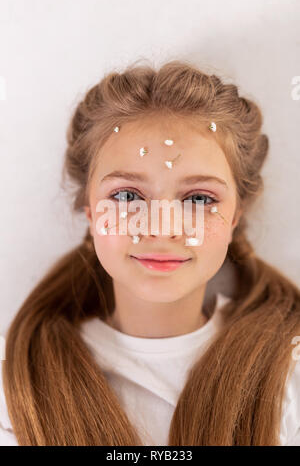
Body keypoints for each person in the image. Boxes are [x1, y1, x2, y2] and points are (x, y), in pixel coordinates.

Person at [1, 60, 300, 446]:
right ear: (91, 213)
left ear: (234, 218)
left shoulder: (289, 374)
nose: (161, 227)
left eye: (198, 198)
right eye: (127, 196)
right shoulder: (14, 383)